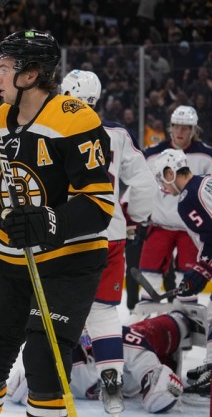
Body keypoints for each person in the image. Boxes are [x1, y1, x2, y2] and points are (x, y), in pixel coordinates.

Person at [0, 30, 114, 416]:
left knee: (43, 364)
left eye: (5, 68)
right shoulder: (1, 118)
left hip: (68, 263)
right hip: (11, 262)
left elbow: (99, 203)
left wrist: (50, 220)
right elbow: (0, 185)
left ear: (30, 76)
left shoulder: (75, 119)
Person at [60, 69, 156, 414]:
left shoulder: (50, 128)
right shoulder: (116, 133)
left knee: (54, 307)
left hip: (63, 234)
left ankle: (50, 378)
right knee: (102, 312)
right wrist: (131, 218)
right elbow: (144, 185)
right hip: (109, 234)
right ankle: (111, 379)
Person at [7, 305, 201, 413]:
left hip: (145, 339)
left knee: (174, 324)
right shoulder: (64, 355)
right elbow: (23, 388)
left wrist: (156, 381)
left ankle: (177, 318)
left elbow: (158, 389)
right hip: (133, 365)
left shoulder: (121, 340)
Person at [151, 148, 212, 403]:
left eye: (161, 178)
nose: (163, 187)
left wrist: (201, 271)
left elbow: (210, 237)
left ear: (170, 172)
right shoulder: (207, 181)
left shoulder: (187, 199)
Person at [139, 106, 212, 304]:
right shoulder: (153, 154)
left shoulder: (207, 156)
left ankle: (187, 319)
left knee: (188, 280)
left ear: (194, 129)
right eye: (176, 127)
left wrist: (204, 266)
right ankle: (147, 318)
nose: (180, 132)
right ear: (170, 127)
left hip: (191, 229)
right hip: (161, 225)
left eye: (186, 127)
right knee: (149, 272)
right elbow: (139, 186)